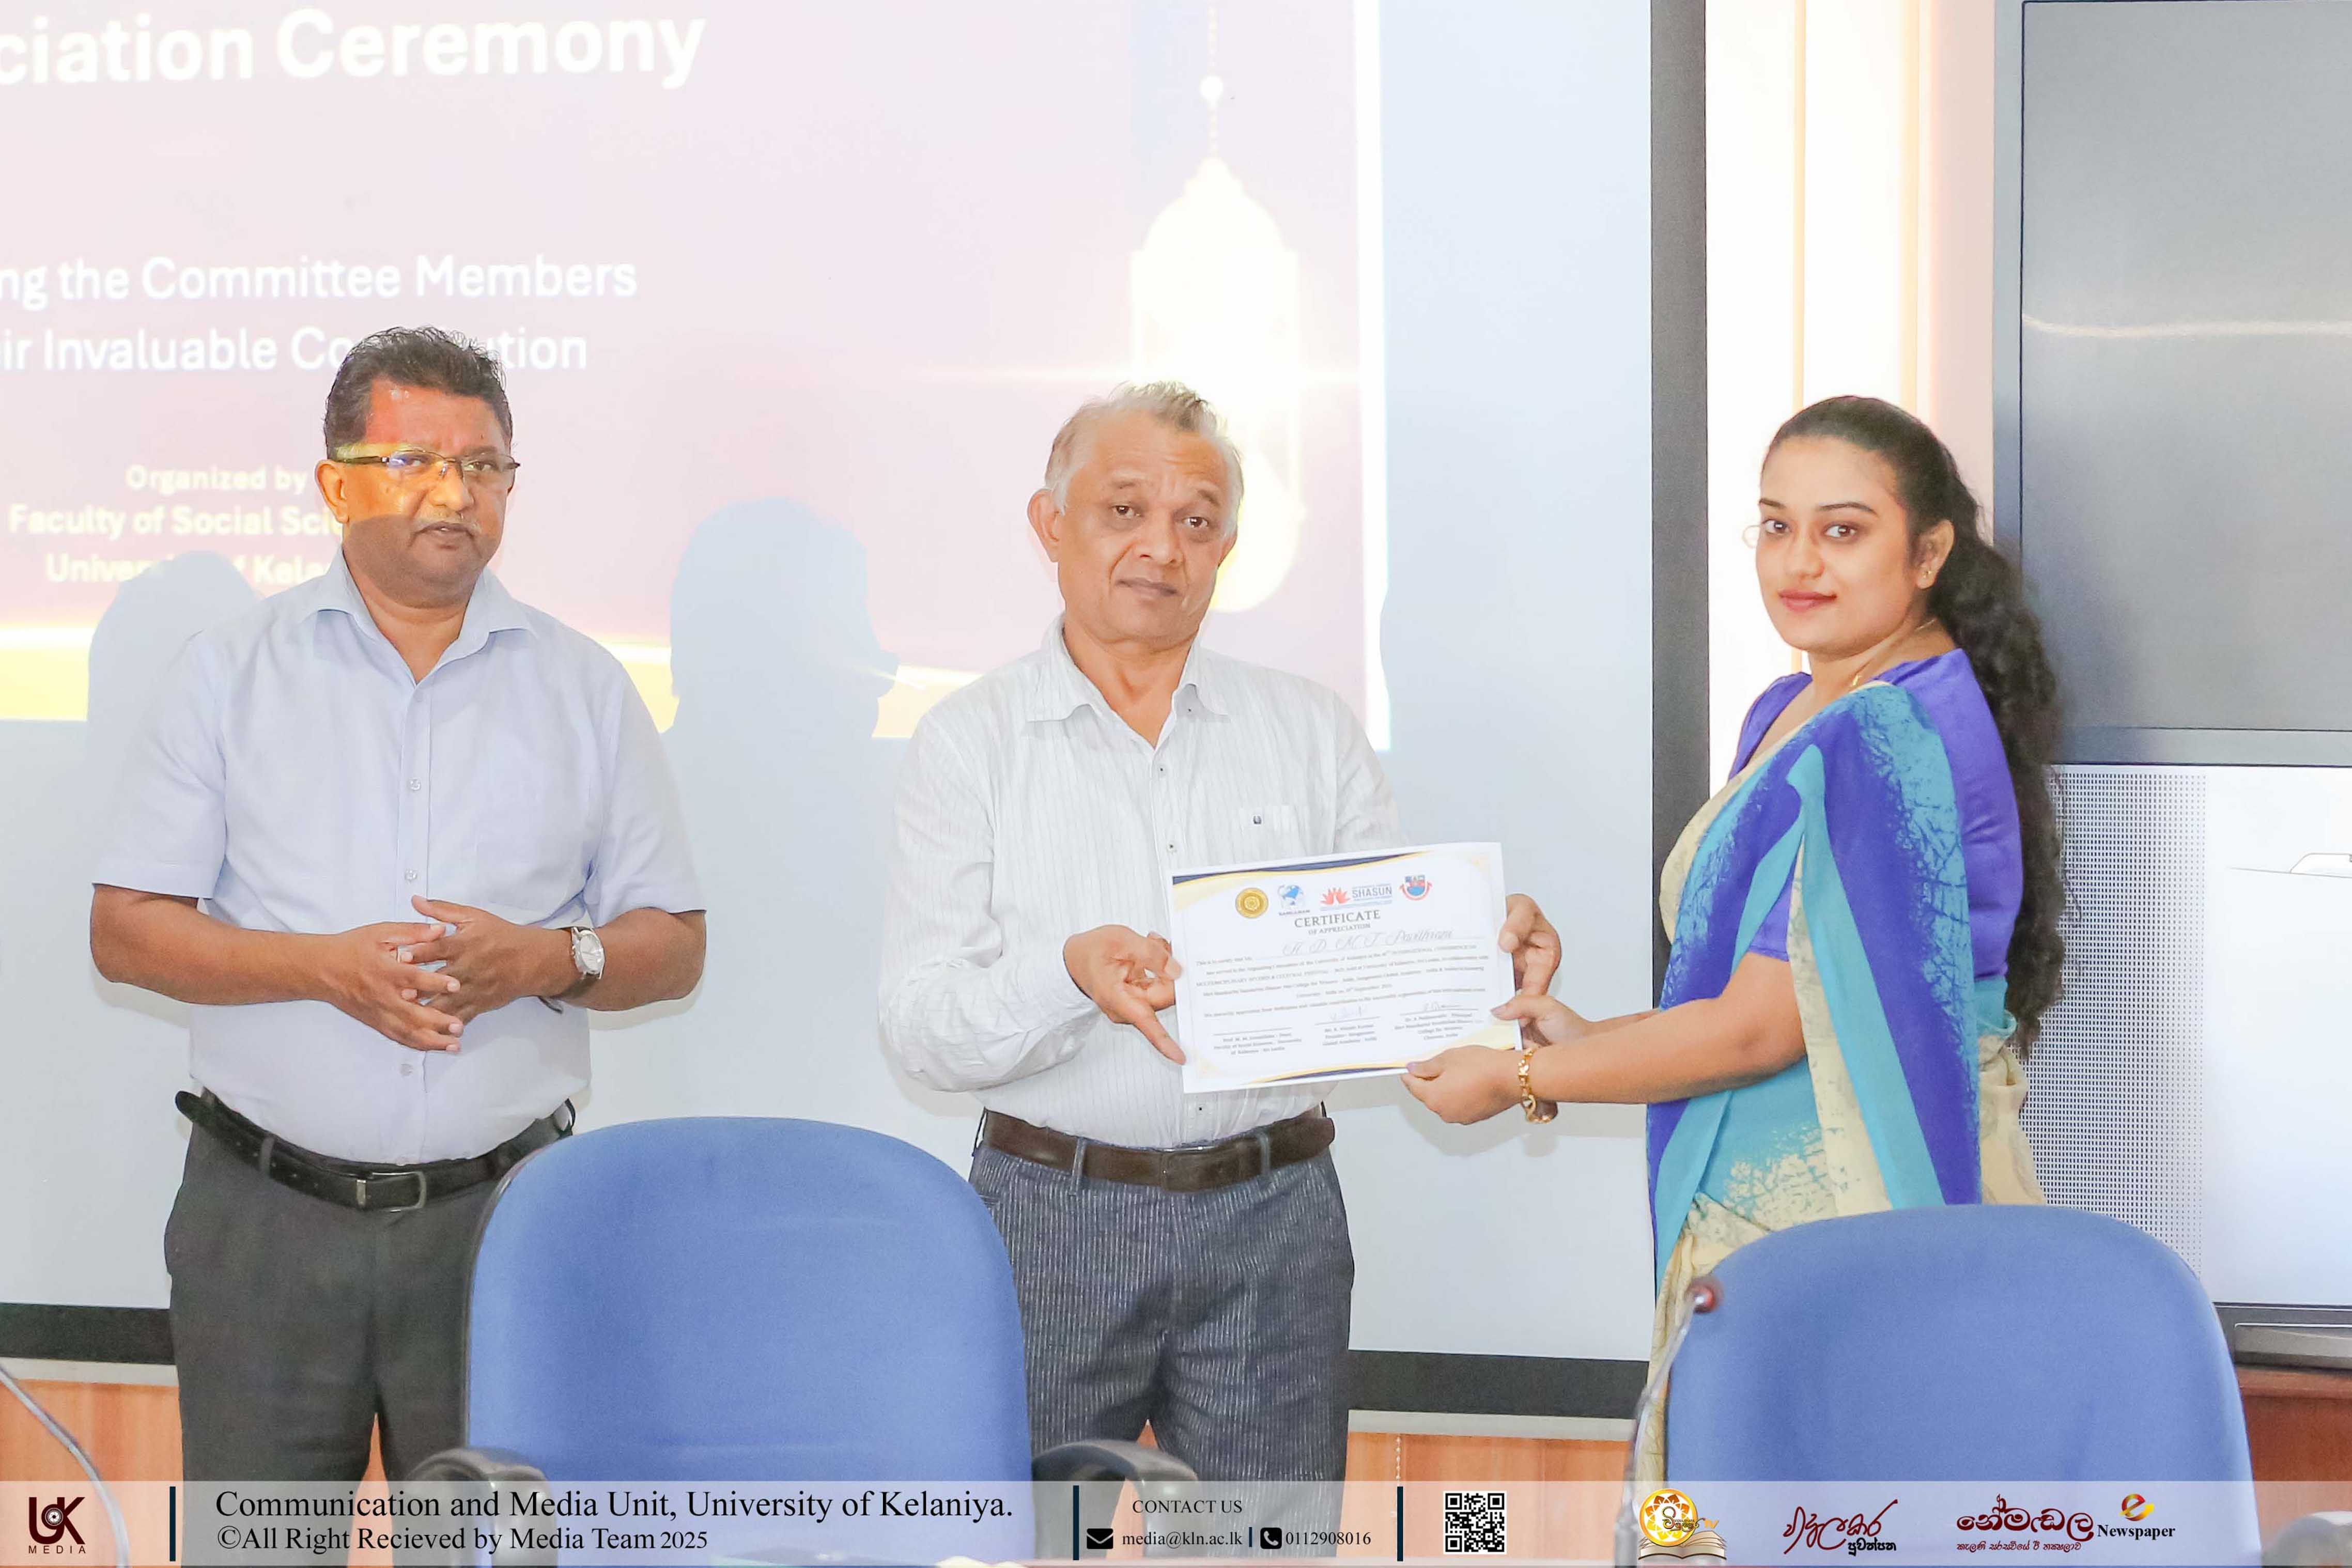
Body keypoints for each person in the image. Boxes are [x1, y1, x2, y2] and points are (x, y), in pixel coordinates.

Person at [878, 381, 1558, 1483]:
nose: (1161, 548)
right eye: (1123, 512)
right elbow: (920, 1029)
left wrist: (1484, 957)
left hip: (1272, 1218)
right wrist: (1067, 975)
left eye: (1195, 521)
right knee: (1030, 1549)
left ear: (1226, 546)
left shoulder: (1304, 729)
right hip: (1050, 1217)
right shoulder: (970, 744)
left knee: (1269, 1554)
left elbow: (1387, 981)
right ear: (1050, 525)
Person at [89, 327, 706, 1483]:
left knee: (491, 1559)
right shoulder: (231, 674)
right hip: (267, 1228)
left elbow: (670, 946)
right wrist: (323, 970)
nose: (453, 494)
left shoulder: (583, 688)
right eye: (415, 461)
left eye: (483, 467)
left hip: (502, 1228)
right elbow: (123, 931)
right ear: (335, 484)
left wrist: (545, 959)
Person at [1402, 395, 2059, 1479]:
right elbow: (1780, 986)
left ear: (1928, 550)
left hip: (1844, 1213)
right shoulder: (1793, 705)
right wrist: (1577, 1036)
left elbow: (1763, 1032)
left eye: (1842, 530)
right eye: (1773, 524)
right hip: (1756, 1206)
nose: (1798, 561)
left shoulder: (1889, 728)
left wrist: (1527, 1075)